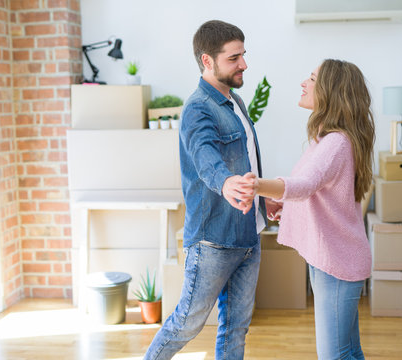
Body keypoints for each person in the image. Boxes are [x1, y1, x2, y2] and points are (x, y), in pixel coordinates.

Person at [143, 20, 266, 360]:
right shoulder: (198, 108)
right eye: (233, 58)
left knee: (236, 327)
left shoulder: (236, 103)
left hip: (248, 235)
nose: (243, 64)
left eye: (243, 55)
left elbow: (248, 162)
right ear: (207, 61)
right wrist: (225, 182)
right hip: (214, 240)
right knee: (188, 322)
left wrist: (264, 203)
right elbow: (204, 156)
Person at [243, 59, 374, 359]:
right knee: (349, 352)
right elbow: (319, 197)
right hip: (336, 259)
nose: (304, 82)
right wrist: (281, 205)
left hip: (337, 263)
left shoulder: (335, 143)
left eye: (312, 78)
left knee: (335, 355)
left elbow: (304, 185)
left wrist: (255, 185)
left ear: (331, 90)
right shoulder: (329, 141)